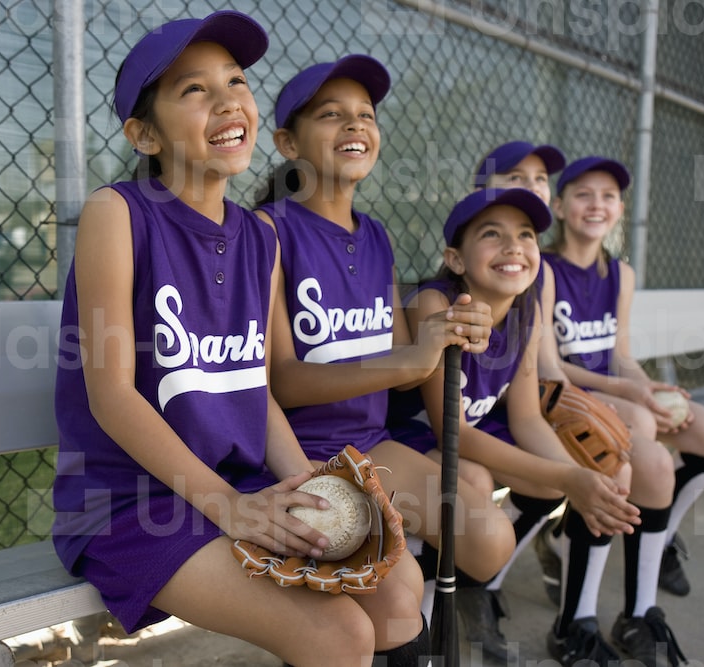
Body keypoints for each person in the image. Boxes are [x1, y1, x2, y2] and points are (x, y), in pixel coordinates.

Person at [50, 14, 426, 666]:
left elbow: (257, 392)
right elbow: (110, 395)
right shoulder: (119, 213)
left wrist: (310, 482)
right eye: (193, 90)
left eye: (237, 80)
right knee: (337, 633)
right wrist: (229, 506)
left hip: (241, 480)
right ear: (143, 134)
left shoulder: (261, 236)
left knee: (398, 593)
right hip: (132, 502)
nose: (228, 100)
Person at [254, 55, 518, 639]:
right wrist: (411, 357)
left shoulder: (375, 234)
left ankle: (401, 623)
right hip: (301, 456)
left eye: (365, 115)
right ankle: (389, 633)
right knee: (394, 605)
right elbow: (281, 380)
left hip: (371, 445)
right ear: (286, 142)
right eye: (331, 115)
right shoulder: (269, 230)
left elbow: (403, 370)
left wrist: (451, 328)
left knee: (491, 541)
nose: (355, 126)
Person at [386, 186, 642, 664]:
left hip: (468, 437)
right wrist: (568, 477)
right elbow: (450, 430)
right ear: (455, 259)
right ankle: (416, 630)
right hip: (409, 441)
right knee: (474, 479)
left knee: (561, 478)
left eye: (525, 235)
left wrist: (577, 476)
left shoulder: (526, 311)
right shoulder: (437, 305)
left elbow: (526, 419)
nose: (513, 246)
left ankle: (474, 581)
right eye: (491, 234)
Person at [537, 155, 704, 666]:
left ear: (621, 209)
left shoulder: (619, 273)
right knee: (645, 453)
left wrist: (653, 389)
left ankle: (657, 541)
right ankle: (577, 621)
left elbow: (621, 353)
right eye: (583, 194)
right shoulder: (547, 268)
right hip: (566, 398)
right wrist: (636, 400)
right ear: (559, 206)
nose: (596, 204)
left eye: (608, 196)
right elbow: (552, 366)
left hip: (613, 392)